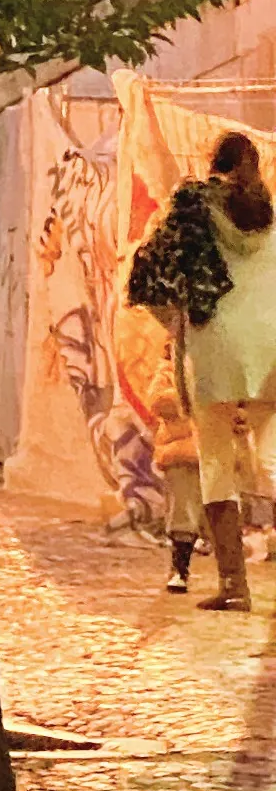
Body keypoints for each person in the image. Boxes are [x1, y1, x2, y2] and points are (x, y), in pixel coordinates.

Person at [127, 130, 276, 610]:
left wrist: (175, 321)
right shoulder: (270, 218)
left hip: (214, 346)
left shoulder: (191, 209)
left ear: (211, 162)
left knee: (215, 462)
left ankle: (235, 586)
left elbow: (145, 271)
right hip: (272, 344)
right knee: (272, 459)